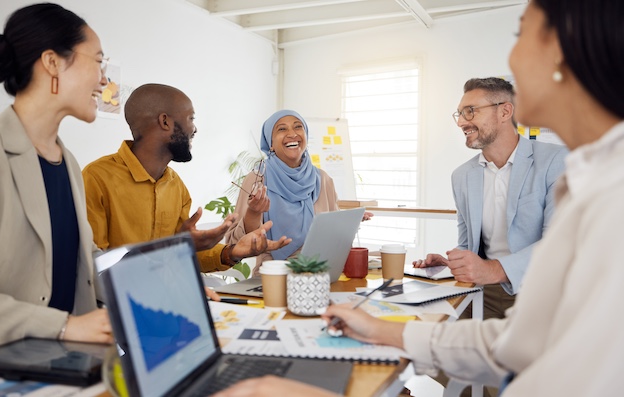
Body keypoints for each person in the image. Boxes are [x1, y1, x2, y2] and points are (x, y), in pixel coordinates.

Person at [214, 0, 624, 395]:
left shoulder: (604, 188)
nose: (512, 56)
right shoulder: (589, 174)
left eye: (521, 33)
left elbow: (569, 373)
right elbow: (516, 345)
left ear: (565, 51)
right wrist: (383, 330)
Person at [0, 3, 113, 350]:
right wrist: (65, 326)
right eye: (98, 61)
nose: (104, 79)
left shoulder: (66, 160)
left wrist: (159, 286)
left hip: (66, 364)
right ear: (53, 62)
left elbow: (82, 259)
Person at [82, 84, 291, 273]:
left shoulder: (175, 186)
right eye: (191, 118)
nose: (195, 129)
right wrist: (170, 250)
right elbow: (95, 266)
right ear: (165, 121)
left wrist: (232, 252)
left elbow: (184, 254)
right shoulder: (97, 179)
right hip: (112, 310)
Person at [413, 77, 567, 320]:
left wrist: (492, 270)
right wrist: (452, 264)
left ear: (505, 111)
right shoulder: (462, 176)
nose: (462, 122)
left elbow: (558, 244)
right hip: (483, 293)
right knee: (431, 331)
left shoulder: (554, 161)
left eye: (470, 112)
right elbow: (468, 245)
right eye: (460, 114)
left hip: (541, 294)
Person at [226, 109, 371, 275]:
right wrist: (253, 213)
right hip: (274, 277)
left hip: (321, 275)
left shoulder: (322, 179)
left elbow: (333, 235)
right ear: (270, 143)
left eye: (298, 127)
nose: (292, 134)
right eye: (282, 129)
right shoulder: (257, 179)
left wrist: (348, 223)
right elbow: (234, 243)